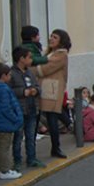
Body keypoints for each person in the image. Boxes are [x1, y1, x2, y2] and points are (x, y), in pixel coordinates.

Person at [36, 29, 71, 159]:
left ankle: (56, 148)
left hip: (52, 90)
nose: (51, 39)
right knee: (48, 118)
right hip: (46, 89)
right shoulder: (50, 53)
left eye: (55, 37)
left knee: (52, 119)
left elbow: (45, 69)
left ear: (61, 40)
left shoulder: (61, 55)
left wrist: (29, 66)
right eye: (51, 36)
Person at [0, 63, 23, 180]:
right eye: (9, 75)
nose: (10, 77)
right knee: (4, 147)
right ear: (3, 76)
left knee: (3, 145)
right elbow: (6, 108)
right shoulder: (3, 90)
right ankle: (4, 170)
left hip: (0, 122)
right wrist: (16, 119)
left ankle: (5, 168)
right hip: (5, 123)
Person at [8, 47, 43, 170]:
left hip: (32, 108)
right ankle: (17, 160)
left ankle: (32, 158)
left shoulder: (30, 73)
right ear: (21, 59)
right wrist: (23, 92)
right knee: (18, 137)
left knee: (31, 135)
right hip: (19, 110)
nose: (31, 59)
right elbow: (8, 91)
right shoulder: (11, 74)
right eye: (29, 57)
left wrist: (36, 90)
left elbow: (38, 87)